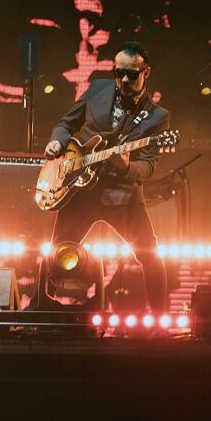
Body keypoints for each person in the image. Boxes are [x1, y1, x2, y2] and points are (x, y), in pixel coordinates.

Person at [43, 42, 170, 311]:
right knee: (55, 252)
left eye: (132, 75)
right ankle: (41, 309)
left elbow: (148, 166)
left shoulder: (156, 117)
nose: (124, 80)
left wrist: (125, 166)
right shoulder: (98, 88)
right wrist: (57, 142)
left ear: (146, 72)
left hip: (122, 195)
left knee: (150, 255)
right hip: (79, 190)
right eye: (118, 73)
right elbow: (67, 124)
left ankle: (160, 317)